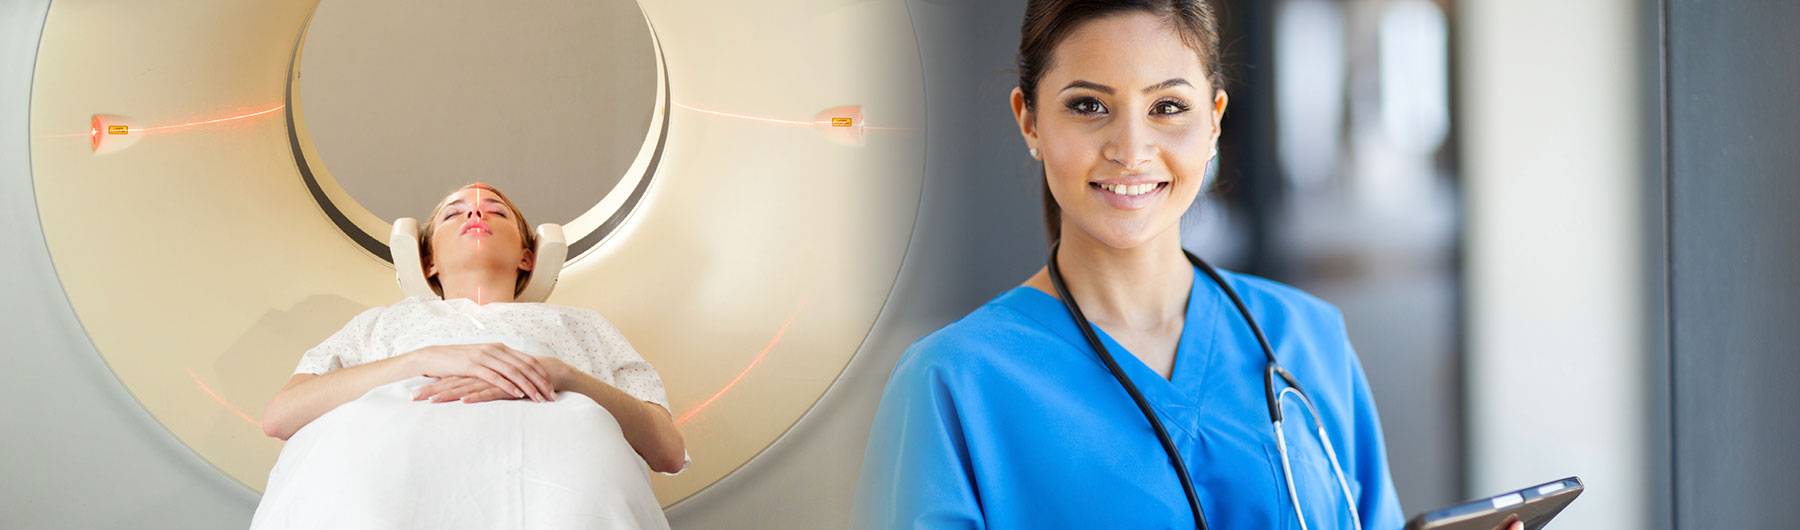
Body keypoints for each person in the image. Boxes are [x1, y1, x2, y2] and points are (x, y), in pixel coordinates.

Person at [855, 1, 1431, 528]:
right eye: (1088, 105)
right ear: (1030, 121)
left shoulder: (1308, 336)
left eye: (1168, 107)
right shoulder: (951, 384)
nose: (1131, 150)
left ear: (1213, 121)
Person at [253, 182, 685, 529]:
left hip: (560, 488)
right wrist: (417, 361)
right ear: (428, 262)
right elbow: (282, 415)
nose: (476, 212)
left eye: (496, 210)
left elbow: (666, 448)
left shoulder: (580, 325)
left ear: (527, 256)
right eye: (453, 212)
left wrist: (561, 374)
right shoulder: (380, 325)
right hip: (382, 482)